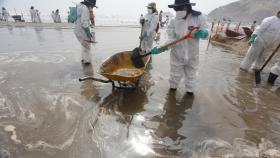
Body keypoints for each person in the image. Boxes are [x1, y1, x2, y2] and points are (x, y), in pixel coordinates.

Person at [150, 0, 209, 96]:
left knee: (191, 75)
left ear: (187, 7)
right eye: (176, 9)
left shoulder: (199, 17)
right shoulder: (174, 21)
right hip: (177, 54)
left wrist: (204, 33)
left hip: (192, 54)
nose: (177, 11)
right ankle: (172, 91)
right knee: (174, 75)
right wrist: (161, 48)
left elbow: (206, 29)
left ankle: (190, 94)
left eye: (180, 8)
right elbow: (171, 38)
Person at [74, 0, 95, 65]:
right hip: (82, 29)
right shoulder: (85, 8)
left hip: (77, 28)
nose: (92, 7)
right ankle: (87, 61)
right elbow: (84, 21)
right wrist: (88, 31)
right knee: (87, 45)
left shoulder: (80, 6)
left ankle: (84, 58)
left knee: (84, 44)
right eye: (92, 6)